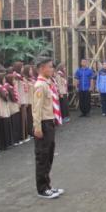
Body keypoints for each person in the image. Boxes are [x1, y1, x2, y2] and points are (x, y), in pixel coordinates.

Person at [33, 58, 64, 199]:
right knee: (43, 156)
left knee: (49, 154)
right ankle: (42, 188)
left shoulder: (48, 83)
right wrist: (37, 127)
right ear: (41, 68)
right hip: (43, 123)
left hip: (49, 121)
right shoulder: (40, 85)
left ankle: (48, 185)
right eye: (50, 67)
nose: (52, 69)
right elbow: (36, 108)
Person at [0, 73, 13, 150]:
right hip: (2, 111)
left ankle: (7, 143)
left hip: (5, 109)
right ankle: (2, 145)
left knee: (6, 127)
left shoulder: (2, 87)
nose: (4, 80)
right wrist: (0, 112)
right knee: (2, 129)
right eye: (3, 79)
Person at [13, 61, 29, 142]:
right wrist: (18, 101)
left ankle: (25, 135)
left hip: (23, 100)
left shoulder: (21, 77)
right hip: (20, 101)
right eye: (22, 67)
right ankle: (21, 136)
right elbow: (16, 90)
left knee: (24, 119)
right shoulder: (16, 77)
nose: (23, 69)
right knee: (21, 120)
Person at [5, 73, 22, 146]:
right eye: (13, 79)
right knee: (15, 124)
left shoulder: (9, 86)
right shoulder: (9, 87)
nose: (14, 81)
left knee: (15, 124)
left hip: (13, 107)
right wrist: (18, 102)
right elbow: (13, 98)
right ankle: (15, 140)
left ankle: (16, 139)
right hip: (13, 107)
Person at [23, 65, 35, 137]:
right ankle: (30, 132)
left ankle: (33, 130)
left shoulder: (32, 79)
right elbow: (26, 91)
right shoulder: (25, 80)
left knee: (33, 117)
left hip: (33, 100)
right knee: (29, 117)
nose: (31, 71)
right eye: (30, 70)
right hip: (29, 101)